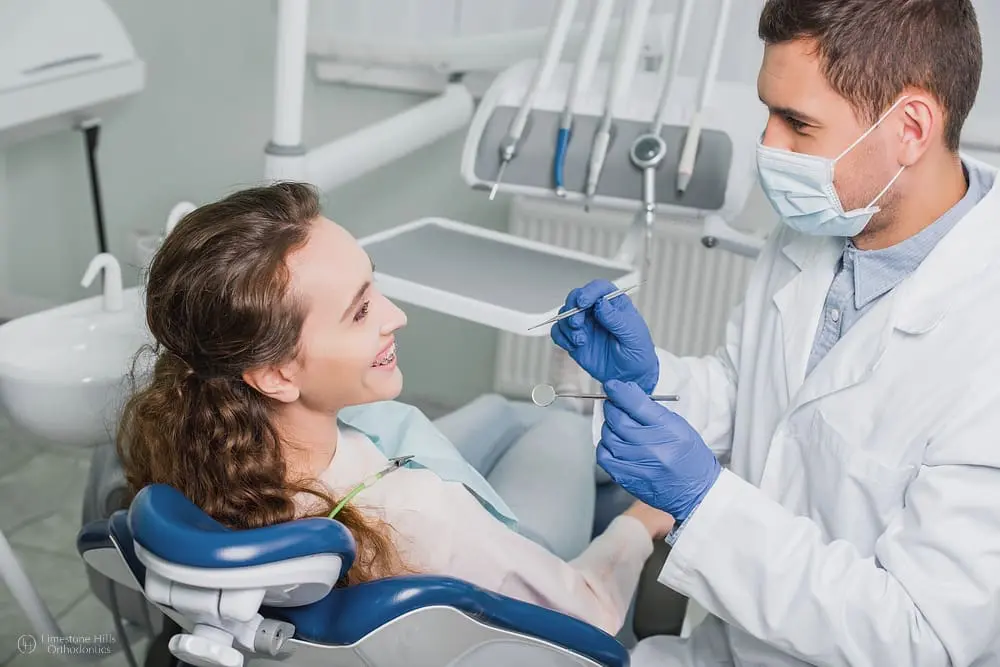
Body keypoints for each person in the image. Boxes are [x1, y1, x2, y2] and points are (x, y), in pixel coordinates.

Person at [553, 0, 1000, 664]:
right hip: (720, 646)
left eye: (798, 123)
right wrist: (649, 382)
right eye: (769, 112)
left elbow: (921, 636)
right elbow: (753, 399)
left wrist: (705, 503)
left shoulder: (983, 336)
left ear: (910, 128)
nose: (769, 145)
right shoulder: (824, 220)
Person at [115, 181, 674, 637]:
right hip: (491, 551)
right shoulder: (420, 513)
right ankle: (608, 471)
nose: (396, 315)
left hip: (358, 473)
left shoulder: (190, 431)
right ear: (277, 375)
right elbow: (588, 614)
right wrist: (638, 523)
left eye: (373, 286)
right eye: (360, 311)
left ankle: (594, 464)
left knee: (502, 412)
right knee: (557, 428)